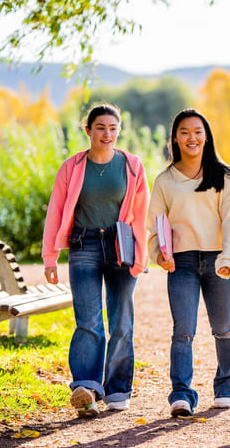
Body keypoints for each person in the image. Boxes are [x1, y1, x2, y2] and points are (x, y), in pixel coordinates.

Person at [42, 103, 150, 417]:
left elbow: (141, 215)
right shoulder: (72, 167)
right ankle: (86, 388)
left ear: (119, 130)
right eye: (100, 127)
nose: (107, 134)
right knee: (88, 321)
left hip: (121, 247)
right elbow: (55, 212)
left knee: (121, 321)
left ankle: (117, 389)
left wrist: (140, 257)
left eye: (113, 128)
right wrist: (50, 257)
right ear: (88, 130)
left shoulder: (132, 165)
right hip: (83, 244)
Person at [147, 108, 230, 418]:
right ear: (175, 138)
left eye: (198, 132)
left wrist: (228, 258)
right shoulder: (165, 180)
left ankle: (227, 387)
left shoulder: (224, 177)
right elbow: (154, 225)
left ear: (207, 136)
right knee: (183, 330)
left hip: (218, 260)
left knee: (222, 327)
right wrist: (158, 254)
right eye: (185, 132)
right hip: (182, 263)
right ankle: (181, 394)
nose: (192, 137)